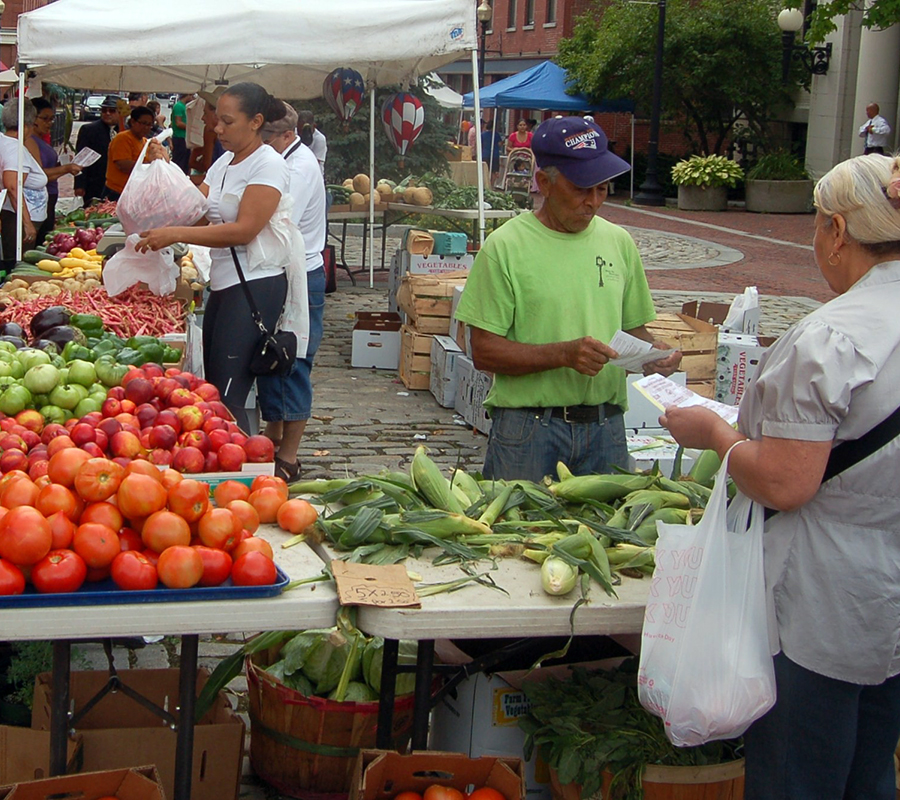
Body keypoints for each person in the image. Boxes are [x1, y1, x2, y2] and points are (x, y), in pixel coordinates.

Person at [660, 153, 900, 800]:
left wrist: (715, 434)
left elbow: (788, 483)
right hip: (890, 603)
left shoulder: (832, 338)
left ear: (839, 232)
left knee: (800, 776)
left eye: (818, 224)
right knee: (873, 777)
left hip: (818, 607)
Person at [453, 116, 681, 482]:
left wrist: (655, 354)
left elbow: (634, 330)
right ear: (544, 182)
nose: (593, 202)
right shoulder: (506, 247)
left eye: (603, 189)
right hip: (529, 431)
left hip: (607, 430)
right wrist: (563, 355)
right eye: (581, 189)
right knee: (517, 536)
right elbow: (482, 351)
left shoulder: (619, 242)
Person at [135, 82, 300, 432]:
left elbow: (243, 230)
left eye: (227, 121)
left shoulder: (268, 165)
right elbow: (197, 209)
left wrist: (176, 234)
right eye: (216, 120)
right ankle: (233, 468)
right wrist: (163, 175)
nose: (217, 129)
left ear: (256, 121)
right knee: (214, 387)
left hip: (255, 283)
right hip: (223, 282)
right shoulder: (225, 161)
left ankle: (245, 475)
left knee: (229, 394)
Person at [258, 103, 327, 482]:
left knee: (292, 361)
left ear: (287, 135)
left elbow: (274, 220)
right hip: (283, 270)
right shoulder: (286, 160)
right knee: (274, 361)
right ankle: (273, 436)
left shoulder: (298, 168)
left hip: (300, 276)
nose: (262, 145)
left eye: (266, 138)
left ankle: (289, 455)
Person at [0, 99, 48, 274]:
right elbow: (13, 186)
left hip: (17, 216)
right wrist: (27, 223)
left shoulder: (7, 142)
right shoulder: (14, 148)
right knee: (17, 265)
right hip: (17, 219)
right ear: (27, 125)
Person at [26, 98, 81, 245]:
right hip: (38, 202)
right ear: (32, 118)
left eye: (51, 119)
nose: (49, 123)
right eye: (45, 119)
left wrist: (61, 164)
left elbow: (46, 167)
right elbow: (39, 174)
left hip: (49, 198)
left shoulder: (41, 139)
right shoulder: (30, 141)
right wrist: (65, 168)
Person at [73, 95, 119, 206]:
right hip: (94, 183)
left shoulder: (126, 131)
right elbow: (80, 158)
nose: (107, 113)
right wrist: (79, 185)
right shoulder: (89, 130)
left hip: (118, 185)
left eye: (112, 111)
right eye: (104, 110)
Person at [104, 106, 155, 200]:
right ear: (132, 122)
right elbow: (123, 165)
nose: (146, 127)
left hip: (133, 192)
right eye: (143, 123)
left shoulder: (145, 142)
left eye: (150, 125)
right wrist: (150, 166)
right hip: (117, 192)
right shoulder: (122, 138)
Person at [188, 88, 226, 185]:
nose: (202, 118)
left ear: (216, 115)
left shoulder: (210, 132)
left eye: (205, 113)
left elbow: (207, 166)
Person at [296, 110, 326, 176]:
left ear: (314, 126)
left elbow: (315, 163)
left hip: (314, 175)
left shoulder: (320, 139)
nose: (301, 134)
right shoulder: (294, 134)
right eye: (299, 130)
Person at [170, 93, 192, 174]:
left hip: (185, 137)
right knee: (179, 161)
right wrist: (190, 127)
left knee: (185, 161)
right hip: (179, 137)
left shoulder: (184, 106)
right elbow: (178, 123)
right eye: (191, 95)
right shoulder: (179, 106)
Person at [480, 118, 504, 186]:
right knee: (494, 171)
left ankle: (485, 185)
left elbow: (480, 144)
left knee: (485, 170)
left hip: (484, 154)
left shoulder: (483, 134)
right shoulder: (496, 134)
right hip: (495, 155)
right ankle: (492, 185)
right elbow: (499, 144)